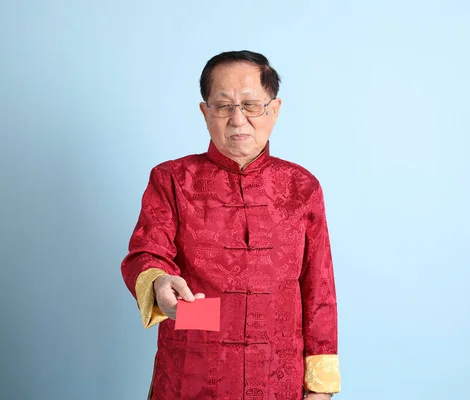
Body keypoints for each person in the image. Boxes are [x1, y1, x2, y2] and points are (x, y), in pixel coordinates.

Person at [121, 50, 340, 400]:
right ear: (205, 113)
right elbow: (146, 253)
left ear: (275, 110)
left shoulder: (301, 186)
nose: (238, 120)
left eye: (251, 105)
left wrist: (320, 387)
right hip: (190, 377)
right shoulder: (172, 180)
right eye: (223, 106)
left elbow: (319, 290)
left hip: (277, 379)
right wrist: (160, 282)